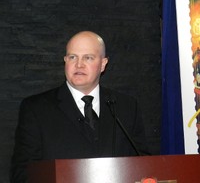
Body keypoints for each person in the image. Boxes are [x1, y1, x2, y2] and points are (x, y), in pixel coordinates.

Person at [10, 31, 148, 182]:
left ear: (103, 64)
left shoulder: (127, 107)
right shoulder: (36, 109)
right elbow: (22, 173)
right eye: (72, 57)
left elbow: (144, 165)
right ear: (65, 61)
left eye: (88, 58)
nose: (79, 64)